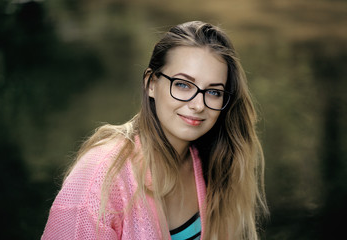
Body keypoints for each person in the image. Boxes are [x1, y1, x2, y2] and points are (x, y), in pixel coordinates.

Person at [42, 21, 268, 240]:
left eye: (214, 92)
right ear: (151, 83)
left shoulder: (216, 165)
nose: (198, 105)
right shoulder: (102, 174)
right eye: (182, 84)